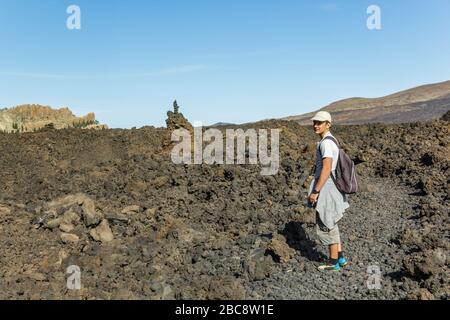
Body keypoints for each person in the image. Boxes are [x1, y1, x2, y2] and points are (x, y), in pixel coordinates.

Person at [308, 111, 349, 271]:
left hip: (327, 186)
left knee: (327, 221)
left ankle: (333, 263)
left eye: (320, 123)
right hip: (332, 186)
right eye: (315, 122)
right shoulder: (332, 140)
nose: (316, 125)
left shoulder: (325, 143)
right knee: (332, 220)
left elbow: (326, 168)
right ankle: (340, 258)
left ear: (328, 124)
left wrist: (316, 190)